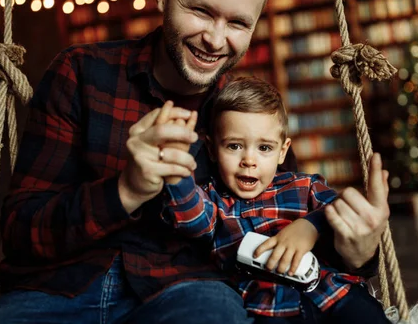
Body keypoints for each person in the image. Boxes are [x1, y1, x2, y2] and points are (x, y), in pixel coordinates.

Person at [0, 0, 388, 322]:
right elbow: (19, 232)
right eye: (200, 11)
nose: (215, 38)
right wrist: (125, 190)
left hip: (184, 293)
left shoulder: (246, 114)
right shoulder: (81, 73)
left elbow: (283, 238)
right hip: (57, 292)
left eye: (238, 23)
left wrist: (360, 252)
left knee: (218, 314)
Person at [160, 77, 390, 324]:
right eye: (234, 146)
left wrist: (310, 226)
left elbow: (341, 211)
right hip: (269, 309)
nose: (249, 160)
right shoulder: (212, 201)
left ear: (282, 150)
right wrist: (177, 176)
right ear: (212, 149)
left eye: (265, 148)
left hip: (332, 293)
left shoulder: (304, 186)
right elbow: (191, 218)